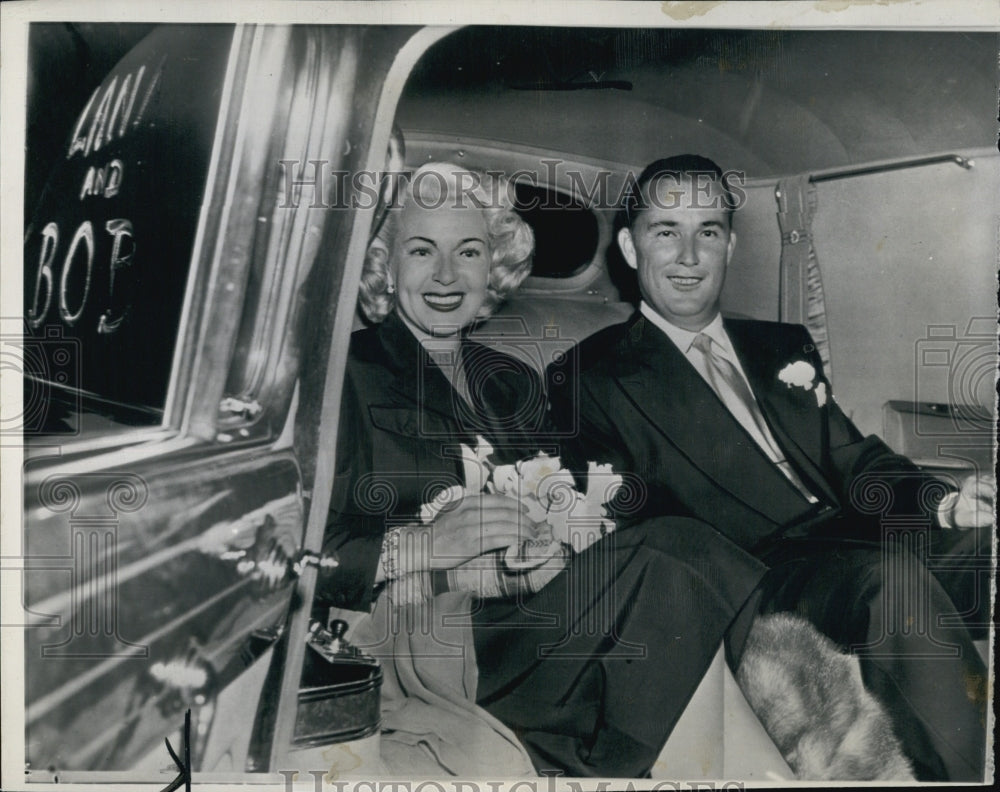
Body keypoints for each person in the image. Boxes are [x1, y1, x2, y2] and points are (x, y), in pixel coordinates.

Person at [546, 154, 994, 782]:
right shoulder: (588, 377)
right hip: (754, 570)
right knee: (887, 581)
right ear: (628, 245)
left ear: (729, 244)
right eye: (664, 231)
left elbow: (853, 458)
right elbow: (631, 534)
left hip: (844, 532)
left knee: (986, 543)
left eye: (708, 232)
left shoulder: (781, 345)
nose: (688, 255)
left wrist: (945, 503)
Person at [313, 161, 767, 778]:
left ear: (492, 266)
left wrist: (560, 532)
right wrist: (423, 546)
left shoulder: (511, 380)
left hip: (532, 616)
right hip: (434, 639)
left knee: (681, 554)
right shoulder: (343, 376)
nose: (447, 275)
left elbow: (566, 496)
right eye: (422, 251)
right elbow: (299, 558)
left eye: (468, 251)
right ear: (384, 267)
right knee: (673, 552)